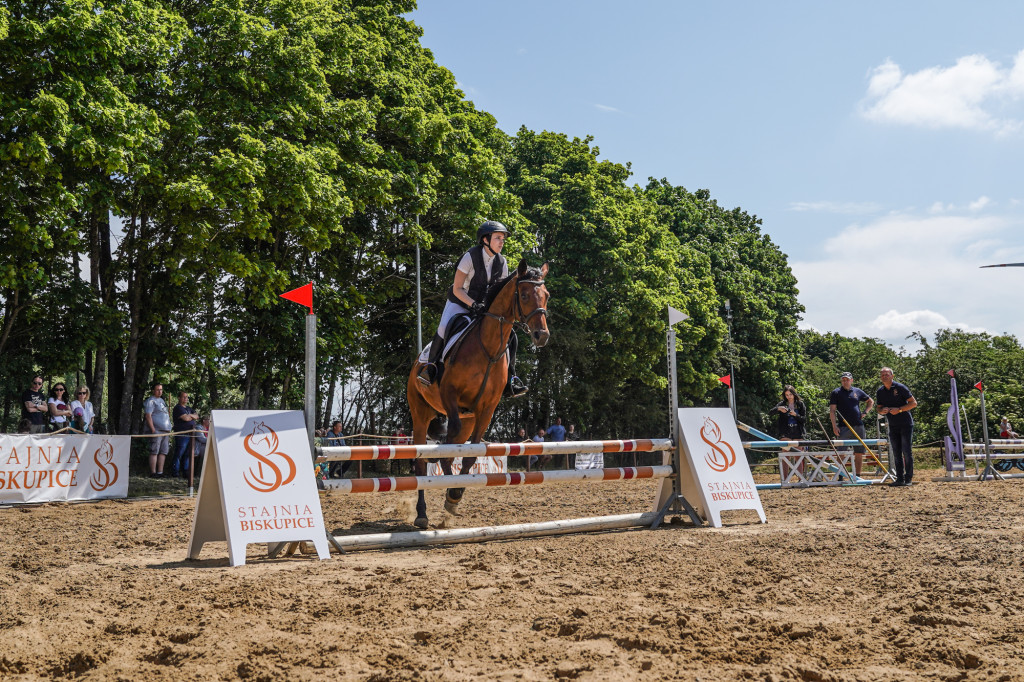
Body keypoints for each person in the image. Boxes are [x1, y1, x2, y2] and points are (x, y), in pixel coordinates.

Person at [417, 220, 527, 397]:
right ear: (485, 239)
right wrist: (473, 304)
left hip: (485, 309)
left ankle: (511, 378)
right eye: (498, 238)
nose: (502, 242)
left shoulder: (502, 262)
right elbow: (457, 288)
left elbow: (500, 294)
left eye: (503, 239)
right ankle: (430, 368)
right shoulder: (470, 257)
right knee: (444, 327)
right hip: (460, 302)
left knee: (510, 335)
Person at [876, 367, 918, 487]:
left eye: (887, 374)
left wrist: (899, 410)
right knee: (896, 452)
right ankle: (899, 478)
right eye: (882, 375)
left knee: (906, 451)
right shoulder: (880, 391)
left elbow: (913, 403)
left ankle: (908, 478)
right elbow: (878, 408)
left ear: (892, 376)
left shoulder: (900, 388)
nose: (884, 376)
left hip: (905, 423)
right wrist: (882, 410)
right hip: (892, 425)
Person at [829, 371, 874, 476]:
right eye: (843, 380)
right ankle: (841, 475)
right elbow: (832, 410)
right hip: (843, 426)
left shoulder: (857, 391)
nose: (845, 382)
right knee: (841, 452)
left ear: (851, 380)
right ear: (841, 381)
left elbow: (870, 401)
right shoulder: (836, 392)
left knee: (859, 452)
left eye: (847, 380)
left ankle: (857, 475)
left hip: (858, 425)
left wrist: (865, 412)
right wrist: (834, 426)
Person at [772, 385, 807, 482]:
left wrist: (796, 415)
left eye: (790, 394)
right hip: (786, 433)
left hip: (797, 432)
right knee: (785, 457)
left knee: (798, 457)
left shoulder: (800, 404)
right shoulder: (782, 404)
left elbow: (804, 420)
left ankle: (801, 479)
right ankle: (785, 480)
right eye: (787, 395)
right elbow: (770, 412)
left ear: (794, 394)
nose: (789, 397)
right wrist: (779, 409)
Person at [144, 383, 172, 478]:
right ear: (153, 390)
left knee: (163, 452)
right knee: (154, 451)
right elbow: (148, 416)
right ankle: (153, 472)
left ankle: (160, 472)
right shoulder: (151, 401)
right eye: (157, 390)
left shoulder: (162, 401)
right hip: (157, 430)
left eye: (161, 389)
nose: (160, 391)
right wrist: (153, 429)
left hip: (165, 430)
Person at [170, 392, 199, 478]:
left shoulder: (189, 408)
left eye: (187, 397)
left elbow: (197, 416)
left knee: (187, 454)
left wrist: (189, 415)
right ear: (179, 398)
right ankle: (175, 473)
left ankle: (186, 473)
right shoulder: (178, 408)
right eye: (184, 397)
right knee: (179, 453)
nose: (186, 398)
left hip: (190, 434)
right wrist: (190, 416)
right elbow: (186, 418)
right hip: (182, 434)